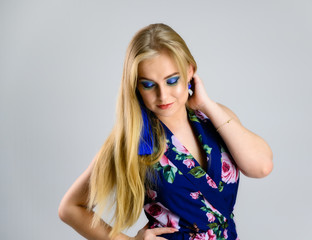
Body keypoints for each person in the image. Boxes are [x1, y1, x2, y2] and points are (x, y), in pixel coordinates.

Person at [58, 23, 273, 240]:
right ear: (136, 86)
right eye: (149, 85)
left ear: (190, 71)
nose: (163, 95)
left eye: (172, 80)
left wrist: (206, 103)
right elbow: (70, 208)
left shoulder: (214, 117)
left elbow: (261, 167)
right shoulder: (134, 140)